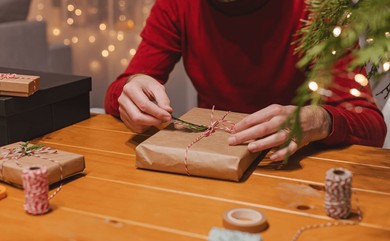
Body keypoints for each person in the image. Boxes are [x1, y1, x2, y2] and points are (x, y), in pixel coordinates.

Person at [105, 0, 386, 162]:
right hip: (210, 161)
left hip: (287, 165)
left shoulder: (317, 9)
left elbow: (371, 126)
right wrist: (131, 90)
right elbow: (118, 92)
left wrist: (318, 120)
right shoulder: (178, 4)